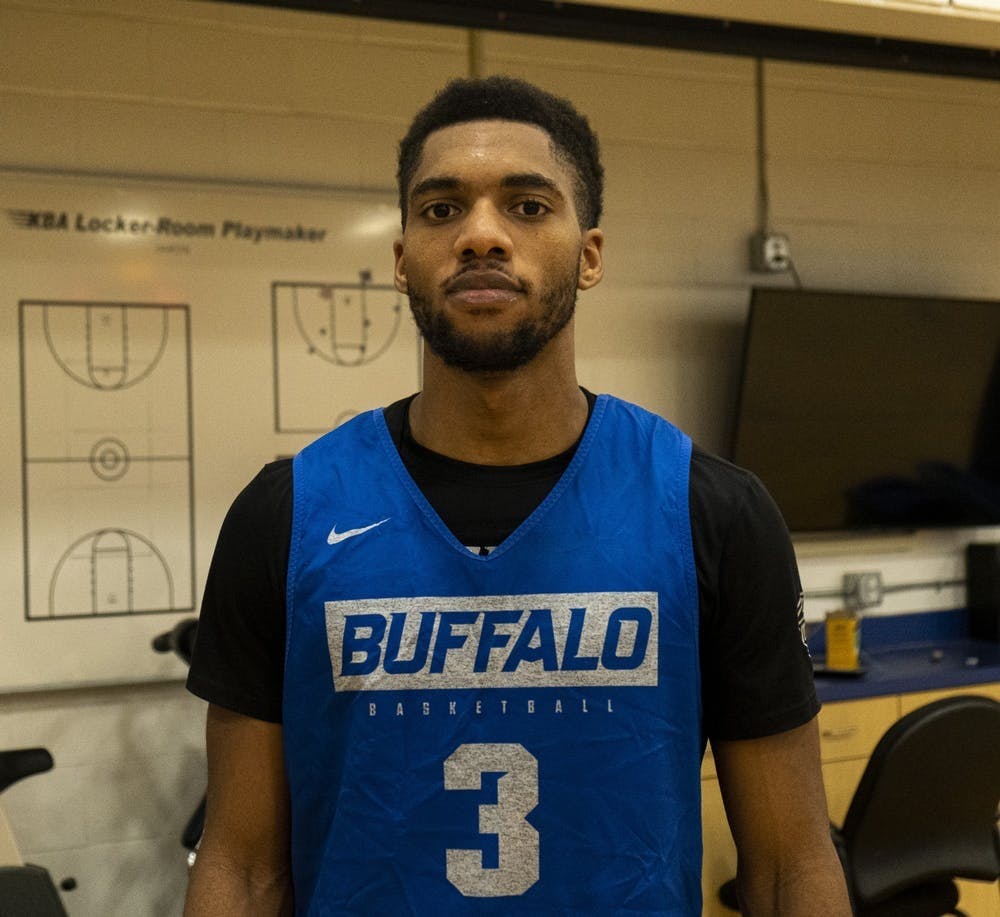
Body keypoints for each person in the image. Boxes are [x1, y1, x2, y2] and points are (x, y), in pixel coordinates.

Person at [184, 75, 851, 916]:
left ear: (591, 253)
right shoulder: (285, 515)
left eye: (529, 206)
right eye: (441, 210)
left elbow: (792, 865)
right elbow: (240, 869)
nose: (481, 236)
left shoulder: (711, 510)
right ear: (401, 261)